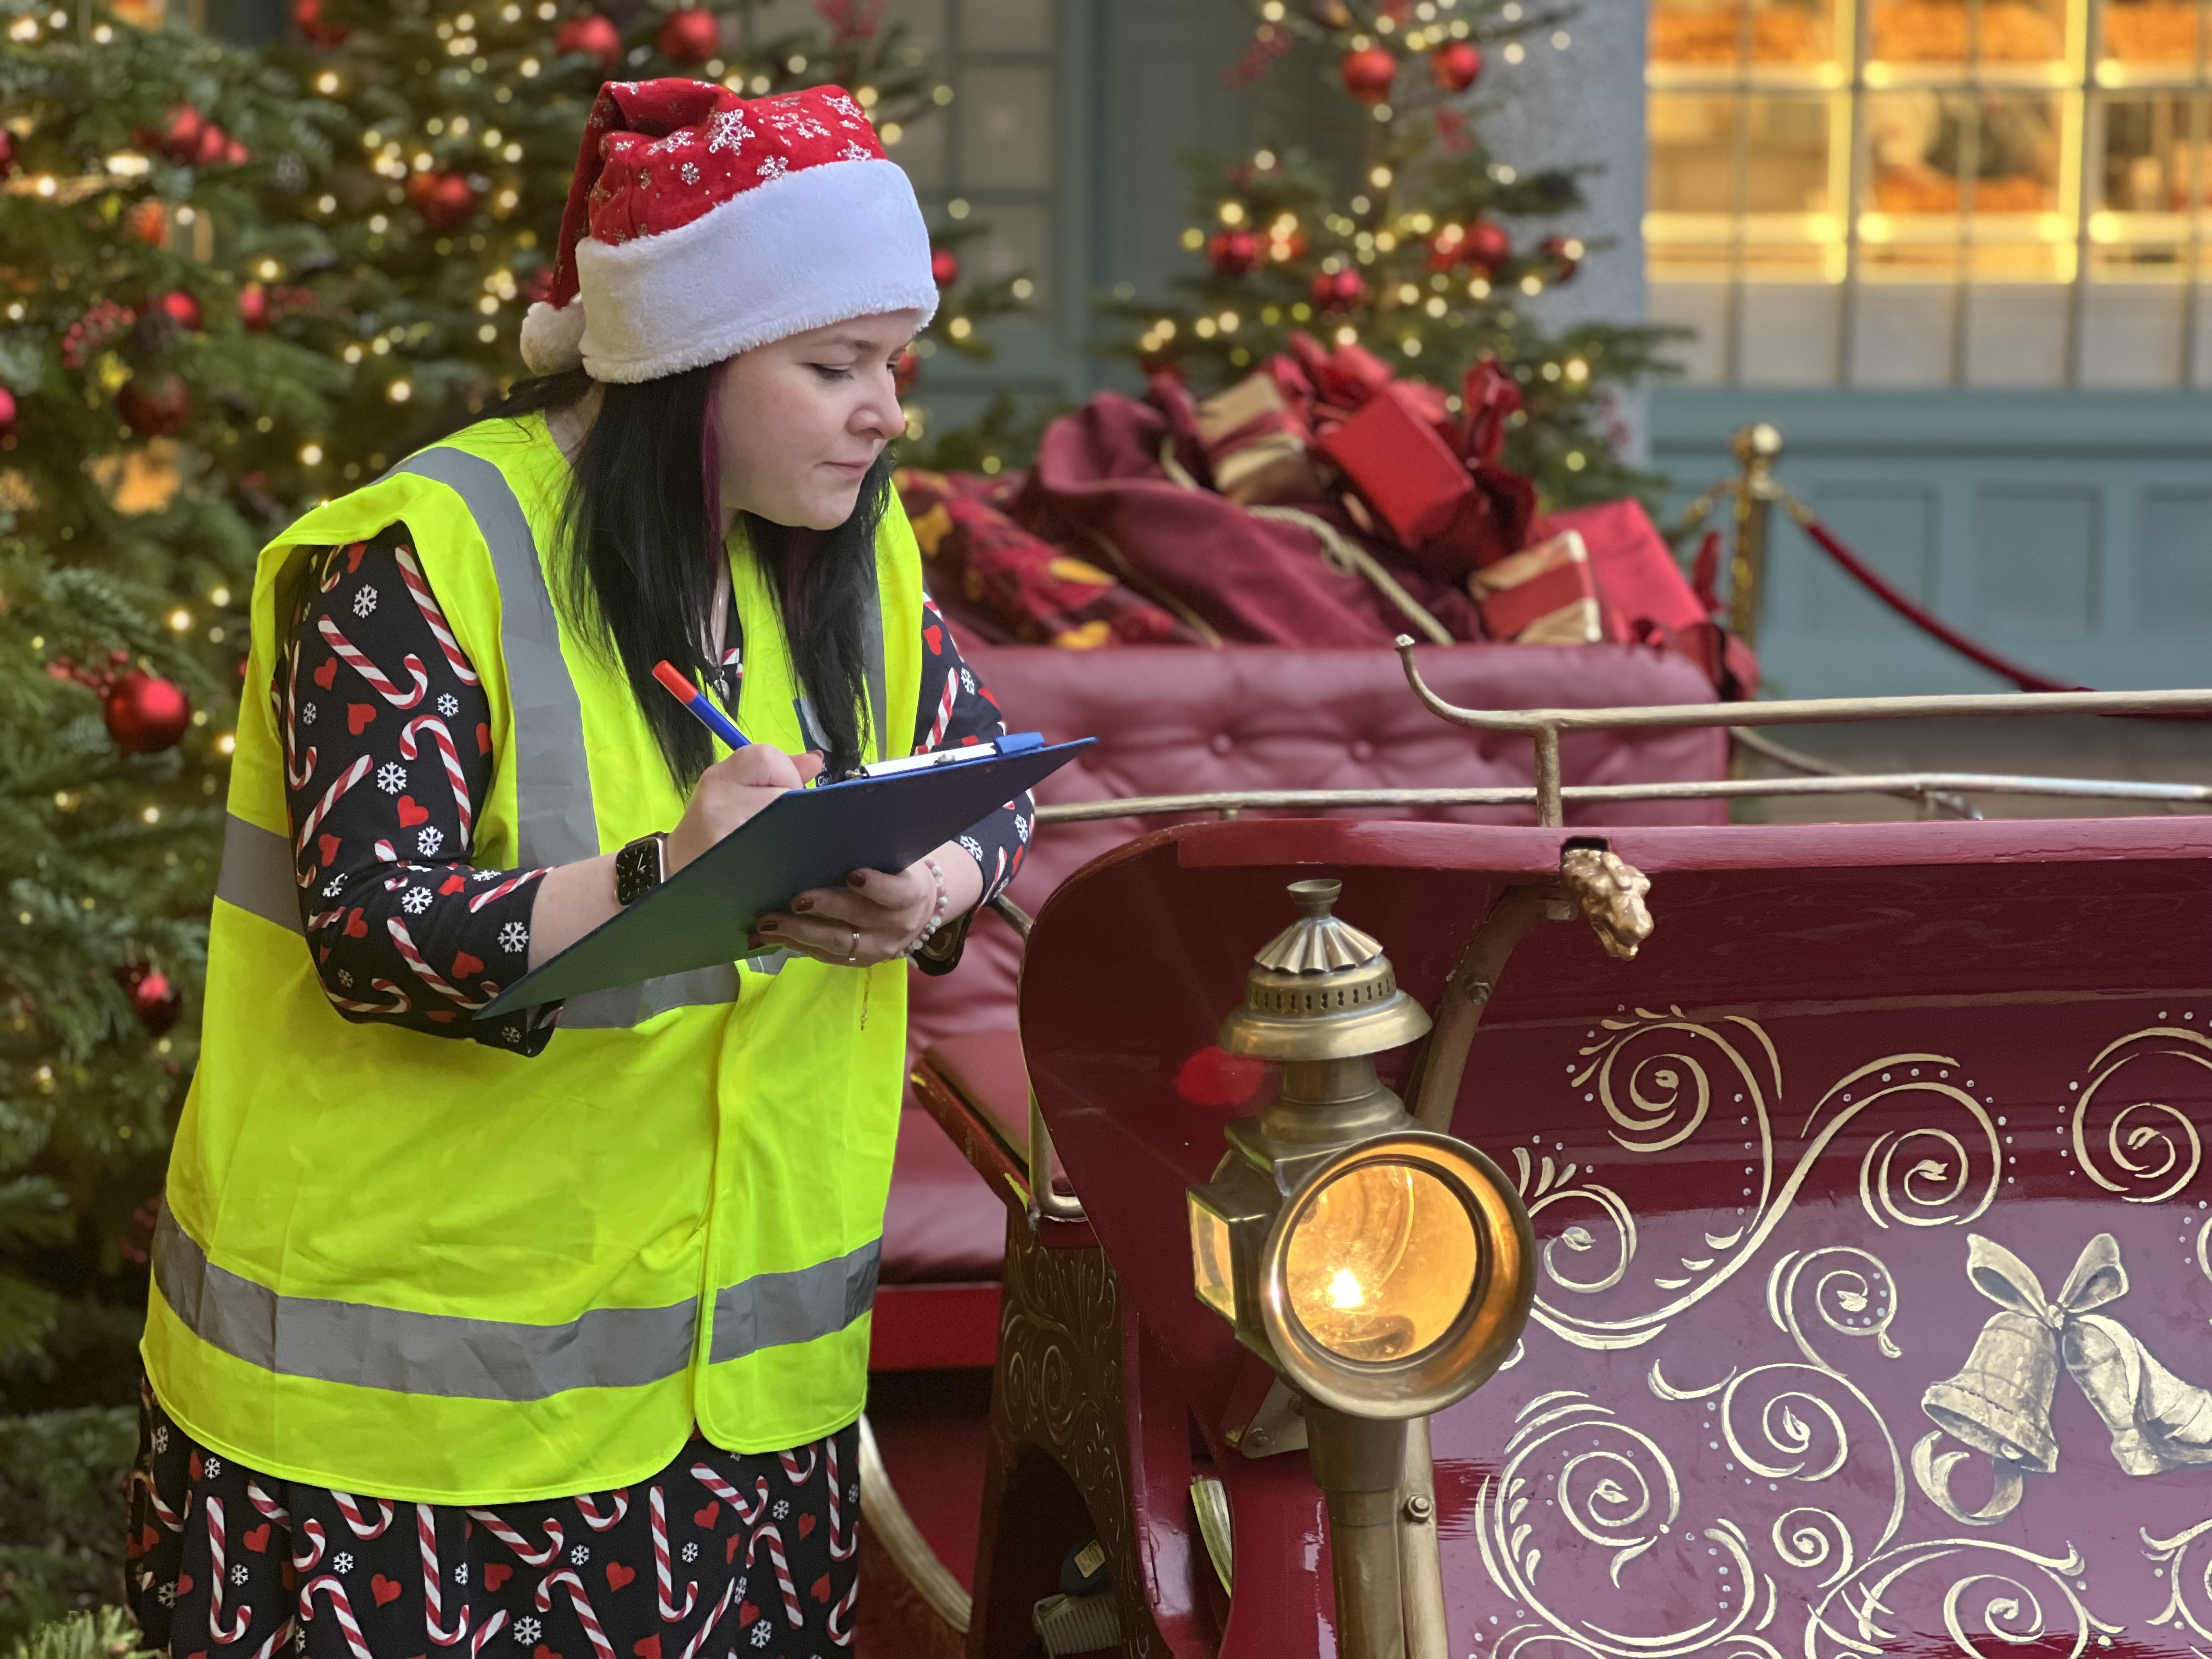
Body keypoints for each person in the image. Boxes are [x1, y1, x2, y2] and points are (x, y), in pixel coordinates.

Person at [126, 78, 1032, 1659]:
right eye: (834, 367)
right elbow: (374, 932)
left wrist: (936, 885)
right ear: (685, 362)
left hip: (740, 1429)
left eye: (897, 364)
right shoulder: (417, 553)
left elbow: (984, 783)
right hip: (401, 1447)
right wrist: (668, 869)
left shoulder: (851, 552)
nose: (887, 411)